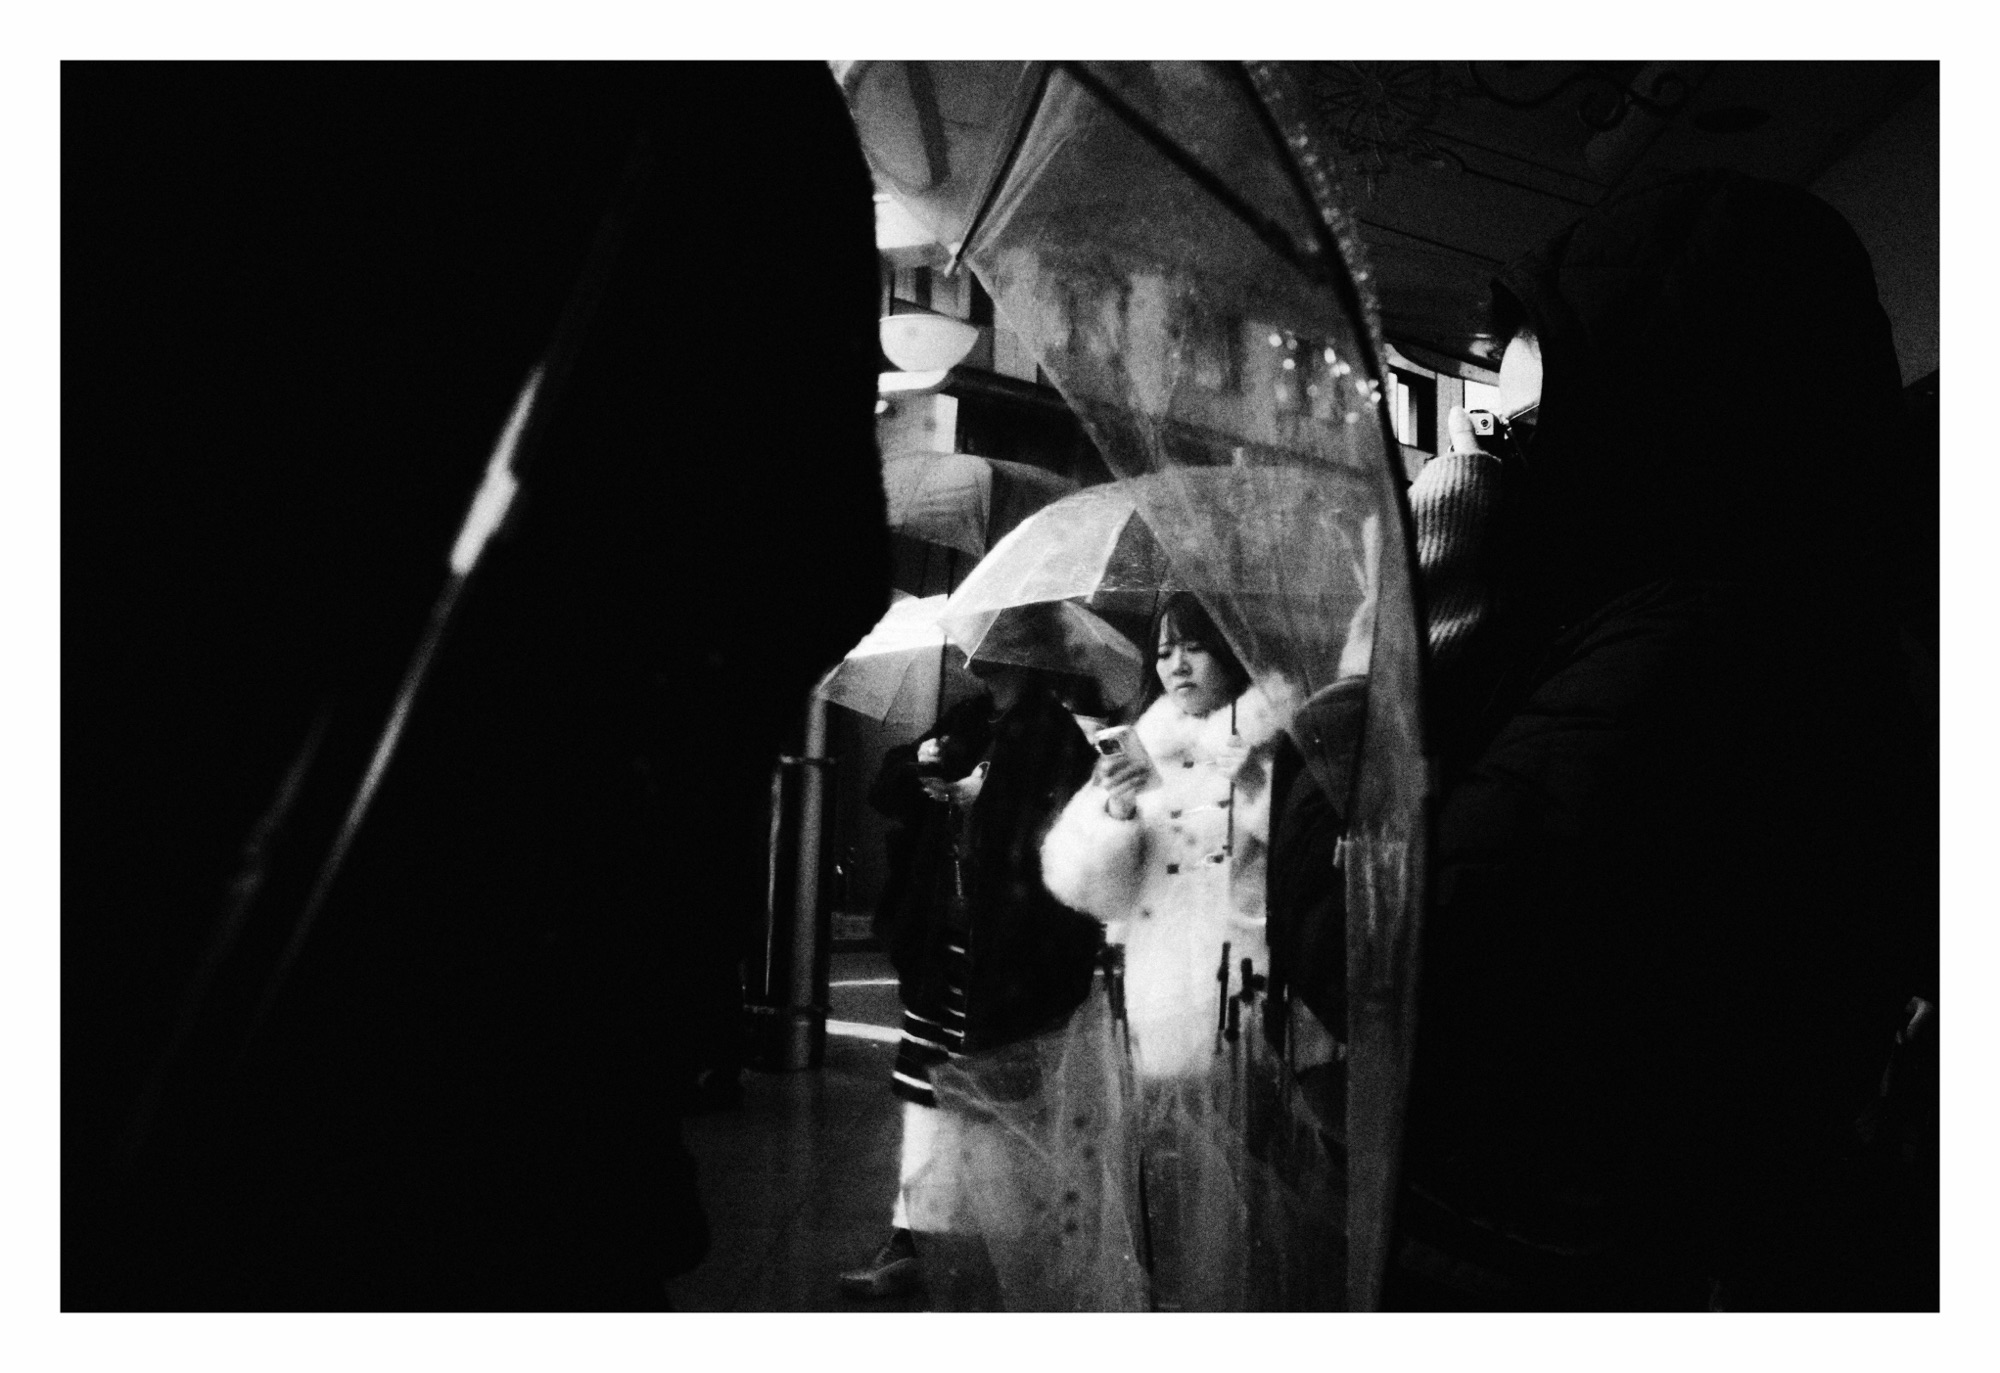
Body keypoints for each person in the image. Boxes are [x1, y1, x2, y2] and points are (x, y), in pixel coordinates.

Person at [1377, 169, 1932, 1310]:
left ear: (1646, 422)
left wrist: (1383, 650)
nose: (1480, 471)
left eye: (1514, 438)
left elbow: (1380, 959)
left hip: (1529, 1267)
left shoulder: (1688, 651)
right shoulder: (1780, 619)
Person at [840, 659, 1104, 1299]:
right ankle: (913, 1235)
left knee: (996, 1096)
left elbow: (1060, 829)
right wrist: (925, 765)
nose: (971, 647)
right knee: (926, 1085)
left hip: (1008, 951)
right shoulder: (963, 721)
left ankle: (997, 1247)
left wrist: (987, 798)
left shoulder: (1056, 733)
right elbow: (887, 788)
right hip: (943, 938)